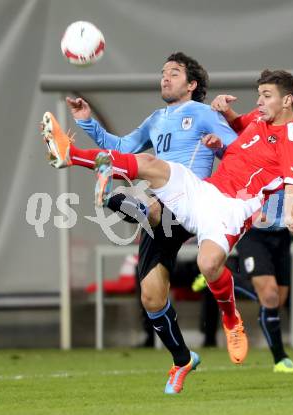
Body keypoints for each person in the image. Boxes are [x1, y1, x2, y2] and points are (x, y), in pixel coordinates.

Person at [41, 68, 293, 391]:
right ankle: (72, 156)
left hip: (232, 208)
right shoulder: (260, 117)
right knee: (152, 165)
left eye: (266, 96)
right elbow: (239, 129)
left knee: (208, 264)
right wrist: (227, 112)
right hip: (204, 190)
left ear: (287, 101)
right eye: (260, 95)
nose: (260, 101)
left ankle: (231, 318)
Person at [61, 52, 238, 393]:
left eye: (174, 73)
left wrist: (217, 148)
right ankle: (182, 359)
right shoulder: (156, 119)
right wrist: (86, 121)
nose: (165, 78)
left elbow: (235, 152)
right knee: (151, 298)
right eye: (162, 73)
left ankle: (105, 189)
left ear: (192, 84)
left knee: (145, 168)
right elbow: (120, 146)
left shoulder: (204, 114)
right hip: (161, 214)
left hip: (192, 203)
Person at [208, 89, 293, 372]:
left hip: (281, 232)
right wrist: (219, 148)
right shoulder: (260, 135)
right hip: (254, 229)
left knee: (276, 300)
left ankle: (228, 274)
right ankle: (281, 359)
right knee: (269, 295)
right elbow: (237, 164)